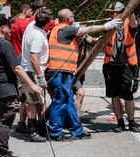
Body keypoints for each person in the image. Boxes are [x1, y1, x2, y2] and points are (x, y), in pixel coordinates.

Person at [0, 14, 41, 157]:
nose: (10, 31)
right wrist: (32, 85)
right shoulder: (5, 45)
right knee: (6, 119)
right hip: (5, 88)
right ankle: (1, 154)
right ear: (2, 28)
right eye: (8, 28)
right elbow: (17, 68)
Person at [45, 8, 107, 139]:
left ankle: (76, 131)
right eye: (72, 17)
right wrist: (106, 26)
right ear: (69, 19)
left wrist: (97, 39)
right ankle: (55, 132)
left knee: (68, 101)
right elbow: (87, 30)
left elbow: (87, 37)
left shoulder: (60, 29)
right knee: (59, 101)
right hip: (59, 72)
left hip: (63, 71)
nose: (74, 19)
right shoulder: (64, 29)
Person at [103, 2, 140, 131]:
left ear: (120, 13)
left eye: (113, 13)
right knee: (115, 95)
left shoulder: (129, 23)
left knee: (128, 96)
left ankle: (131, 122)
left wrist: (130, 11)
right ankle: (120, 123)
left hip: (127, 65)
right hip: (111, 65)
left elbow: (134, 24)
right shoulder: (109, 25)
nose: (111, 15)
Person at [17, 7, 52, 139]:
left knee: (32, 101)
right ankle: (34, 131)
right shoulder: (37, 36)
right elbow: (33, 58)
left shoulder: (31, 26)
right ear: (46, 23)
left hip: (28, 69)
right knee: (35, 102)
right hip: (33, 71)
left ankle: (36, 127)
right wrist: (40, 77)